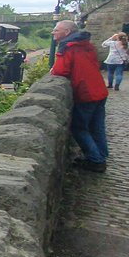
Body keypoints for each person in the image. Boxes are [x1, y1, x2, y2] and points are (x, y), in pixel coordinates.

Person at [51, 20, 109, 172]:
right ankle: (101, 155)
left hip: (86, 93)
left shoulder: (68, 47)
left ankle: (96, 160)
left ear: (67, 32)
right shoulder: (86, 45)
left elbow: (60, 71)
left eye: (56, 30)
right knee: (97, 126)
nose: (53, 32)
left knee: (78, 127)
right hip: (99, 90)